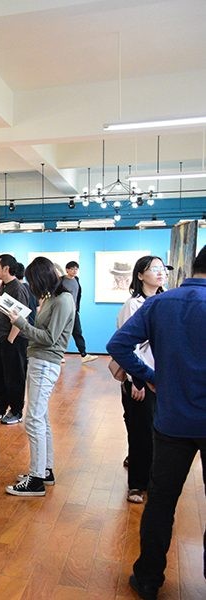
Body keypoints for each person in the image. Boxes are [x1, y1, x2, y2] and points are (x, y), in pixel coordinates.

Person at [107, 245, 206, 600]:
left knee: (161, 501)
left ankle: (148, 579)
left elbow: (118, 345)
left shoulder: (161, 303)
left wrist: (150, 377)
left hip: (171, 420)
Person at [3, 257, 75, 497]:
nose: (31, 287)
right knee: (40, 417)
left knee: (33, 419)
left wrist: (21, 323)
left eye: (33, 281)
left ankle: (36, 479)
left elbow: (50, 338)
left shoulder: (62, 300)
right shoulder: (54, 298)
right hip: (39, 360)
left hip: (45, 362)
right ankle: (44, 470)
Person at [115, 256, 168, 505]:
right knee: (140, 432)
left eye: (162, 268)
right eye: (153, 269)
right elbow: (127, 346)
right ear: (140, 275)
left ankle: (153, 478)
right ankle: (137, 484)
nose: (160, 272)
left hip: (162, 378)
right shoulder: (133, 305)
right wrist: (137, 380)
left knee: (158, 431)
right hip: (140, 378)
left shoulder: (166, 302)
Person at [0, 254, 34, 424]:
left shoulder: (18, 288)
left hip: (13, 341)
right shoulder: (4, 286)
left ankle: (16, 411)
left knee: (14, 377)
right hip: (0, 340)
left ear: (6, 268)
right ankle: (2, 407)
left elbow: (21, 317)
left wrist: (10, 340)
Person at [61, 261, 97, 364]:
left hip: (74, 311)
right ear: (67, 269)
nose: (74, 271)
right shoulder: (61, 280)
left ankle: (84, 355)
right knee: (61, 333)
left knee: (78, 332)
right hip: (63, 311)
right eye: (72, 269)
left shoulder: (76, 279)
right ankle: (59, 355)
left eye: (76, 269)